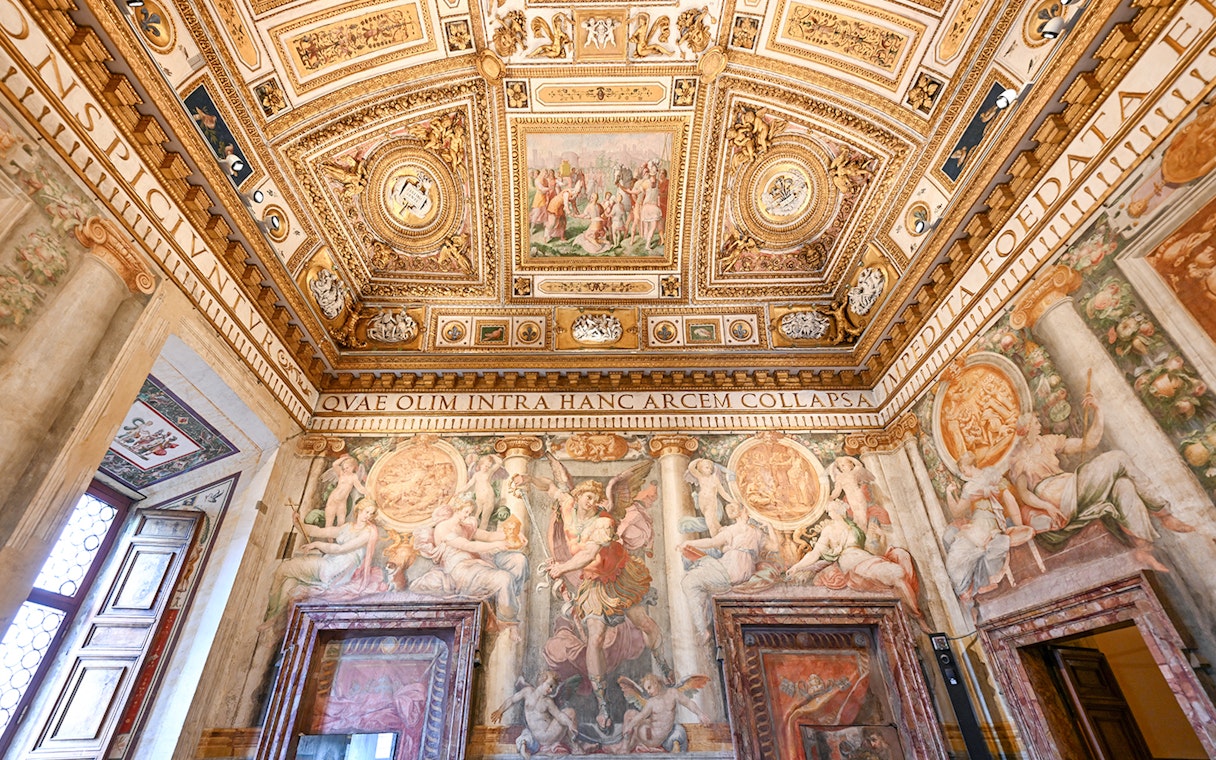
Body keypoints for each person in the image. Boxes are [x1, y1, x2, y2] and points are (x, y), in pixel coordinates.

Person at [525, 474, 670, 728]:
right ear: (578, 497)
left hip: (617, 576)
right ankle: (603, 703)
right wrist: (526, 479)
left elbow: (590, 553)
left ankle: (663, 662)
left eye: (595, 498)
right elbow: (549, 486)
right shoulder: (568, 507)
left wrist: (561, 568)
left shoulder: (602, 521)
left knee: (643, 622)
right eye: (588, 497)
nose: (592, 501)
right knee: (596, 638)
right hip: (593, 583)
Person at [1008, 393, 1193, 550]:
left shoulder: (1047, 441)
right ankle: (1163, 514)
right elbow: (1024, 494)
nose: (1039, 424)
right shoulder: (1018, 460)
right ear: (1025, 429)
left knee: (1123, 486)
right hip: (1056, 497)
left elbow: (1089, 443)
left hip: (1071, 484)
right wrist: (1046, 506)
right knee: (1118, 457)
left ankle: (1141, 545)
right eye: (1035, 422)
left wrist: (1098, 412)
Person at [787, 499, 922, 620]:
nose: (830, 513)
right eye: (829, 511)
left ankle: (914, 613)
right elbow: (815, 553)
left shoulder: (853, 526)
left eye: (832, 510)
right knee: (897, 572)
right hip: (850, 561)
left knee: (901, 559)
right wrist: (797, 566)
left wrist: (881, 537)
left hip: (865, 556)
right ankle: (917, 616)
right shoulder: (829, 530)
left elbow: (872, 548)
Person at [411, 496, 528, 623]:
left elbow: (488, 536)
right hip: (460, 568)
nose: (468, 515)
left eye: (470, 512)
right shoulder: (443, 528)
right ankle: (508, 618)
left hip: (478, 559)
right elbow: (467, 545)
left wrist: (513, 534)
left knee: (519, 559)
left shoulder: (464, 526)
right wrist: (497, 545)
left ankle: (506, 597)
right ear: (457, 509)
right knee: (504, 578)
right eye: (466, 512)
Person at [264, 499, 379, 620]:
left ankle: (272, 613)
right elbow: (319, 531)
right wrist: (298, 524)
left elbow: (341, 549)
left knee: (284, 569)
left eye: (371, 514)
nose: (368, 516)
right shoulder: (348, 527)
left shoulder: (367, 533)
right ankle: (274, 614)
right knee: (289, 578)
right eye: (367, 512)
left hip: (335, 569)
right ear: (359, 510)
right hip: (329, 564)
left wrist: (317, 544)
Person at [678, 499, 769, 643]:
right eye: (746, 510)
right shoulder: (748, 532)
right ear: (741, 512)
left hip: (731, 569)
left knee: (689, 582)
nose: (748, 513)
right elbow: (712, 543)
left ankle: (702, 630)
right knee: (695, 577)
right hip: (734, 568)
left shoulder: (743, 532)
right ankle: (704, 627)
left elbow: (712, 542)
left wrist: (689, 543)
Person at [490, 671, 581, 758]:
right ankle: (572, 746)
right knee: (570, 712)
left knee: (569, 713)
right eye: (550, 685)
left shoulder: (548, 701)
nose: (551, 690)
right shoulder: (528, 692)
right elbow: (512, 700)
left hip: (548, 734)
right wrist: (500, 710)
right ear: (542, 680)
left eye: (553, 688)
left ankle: (572, 745)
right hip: (539, 737)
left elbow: (559, 715)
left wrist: (569, 723)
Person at [618, 673, 710, 752]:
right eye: (647, 690)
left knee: (631, 715)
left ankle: (626, 746)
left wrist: (700, 714)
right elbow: (642, 716)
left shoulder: (671, 694)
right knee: (632, 716)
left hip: (652, 738)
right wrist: (630, 726)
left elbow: (688, 703)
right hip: (650, 735)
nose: (648, 692)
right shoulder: (653, 701)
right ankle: (626, 746)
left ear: (655, 683)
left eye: (649, 688)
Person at [321, 454, 365, 527]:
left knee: (341, 521)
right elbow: (334, 464)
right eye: (344, 468)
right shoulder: (341, 473)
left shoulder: (354, 477)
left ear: (352, 467)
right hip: (333, 499)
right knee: (329, 519)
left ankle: (336, 536)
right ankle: (329, 536)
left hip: (342, 502)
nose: (345, 470)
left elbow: (360, 488)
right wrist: (345, 458)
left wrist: (368, 493)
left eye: (347, 468)